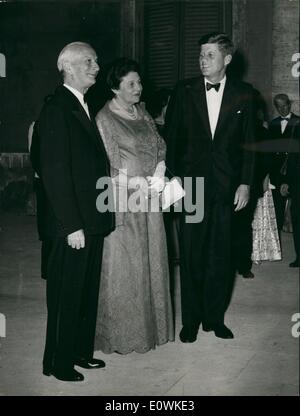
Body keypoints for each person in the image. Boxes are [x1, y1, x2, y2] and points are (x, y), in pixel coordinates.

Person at [30, 42, 115, 382]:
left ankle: (80, 351)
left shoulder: (81, 104)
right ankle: (58, 362)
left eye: (96, 59)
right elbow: (54, 172)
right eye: (88, 61)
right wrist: (71, 225)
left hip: (89, 218)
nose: (96, 66)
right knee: (67, 293)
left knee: (84, 290)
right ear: (67, 67)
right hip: (73, 223)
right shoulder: (57, 109)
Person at [165, 32, 255, 342]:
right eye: (201, 55)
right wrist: (173, 177)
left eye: (210, 55)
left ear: (227, 59)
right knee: (191, 254)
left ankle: (215, 319)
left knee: (221, 255)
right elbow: (172, 138)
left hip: (228, 188)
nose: (203, 61)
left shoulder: (245, 93)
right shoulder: (183, 90)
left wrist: (245, 183)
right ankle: (190, 320)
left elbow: (250, 145)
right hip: (192, 186)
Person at [94, 58, 174, 354]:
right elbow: (107, 161)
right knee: (126, 264)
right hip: (123, 199)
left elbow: (159, 144)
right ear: (115, 88)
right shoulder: (104, 117)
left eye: (139, 82)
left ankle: (152, 331)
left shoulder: (142, 112)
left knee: (151, 258)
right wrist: (132, 181)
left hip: (150, 196)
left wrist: (160, 169)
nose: (139, 88)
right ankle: (122, 336)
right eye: (131, 84)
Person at [268, 94, 300, 236]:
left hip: (293, 171)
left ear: (290, 104)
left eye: (284, 105)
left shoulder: (298, 122)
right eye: (278, 106)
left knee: (295, 213)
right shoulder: (273, 123)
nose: (282, 109)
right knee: (277, 210)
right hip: (276, 173)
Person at [280, 122, 300, 267]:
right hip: (297, 182)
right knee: (298, 219)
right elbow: (292, 157)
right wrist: (286, 181)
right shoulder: (298, 127)